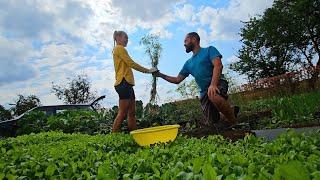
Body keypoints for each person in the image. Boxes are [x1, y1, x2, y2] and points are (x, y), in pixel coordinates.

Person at [155, 32, 238, 130]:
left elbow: (218, 65)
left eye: (186, 40)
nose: (184, 44)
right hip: (204, 93)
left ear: (194, 39)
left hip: (217, 83)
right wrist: (160, 75)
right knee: (212, 122)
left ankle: (235, 124)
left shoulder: (209, 50)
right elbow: (177, 80)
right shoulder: (188, 63)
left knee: (213, 95)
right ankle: (229, 111)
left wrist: (213, 84)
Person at [112, 30, 157, 132]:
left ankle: (135, 136)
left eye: (127, 38)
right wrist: (148, 70)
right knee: (122, 113)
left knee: (132, 113)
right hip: (123, 83)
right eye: (125, 38)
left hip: (127, 83)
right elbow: (131, 63)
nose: (127, 40)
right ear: (118, 38)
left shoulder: (119, 49)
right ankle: (112, 137)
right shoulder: (119, 48)